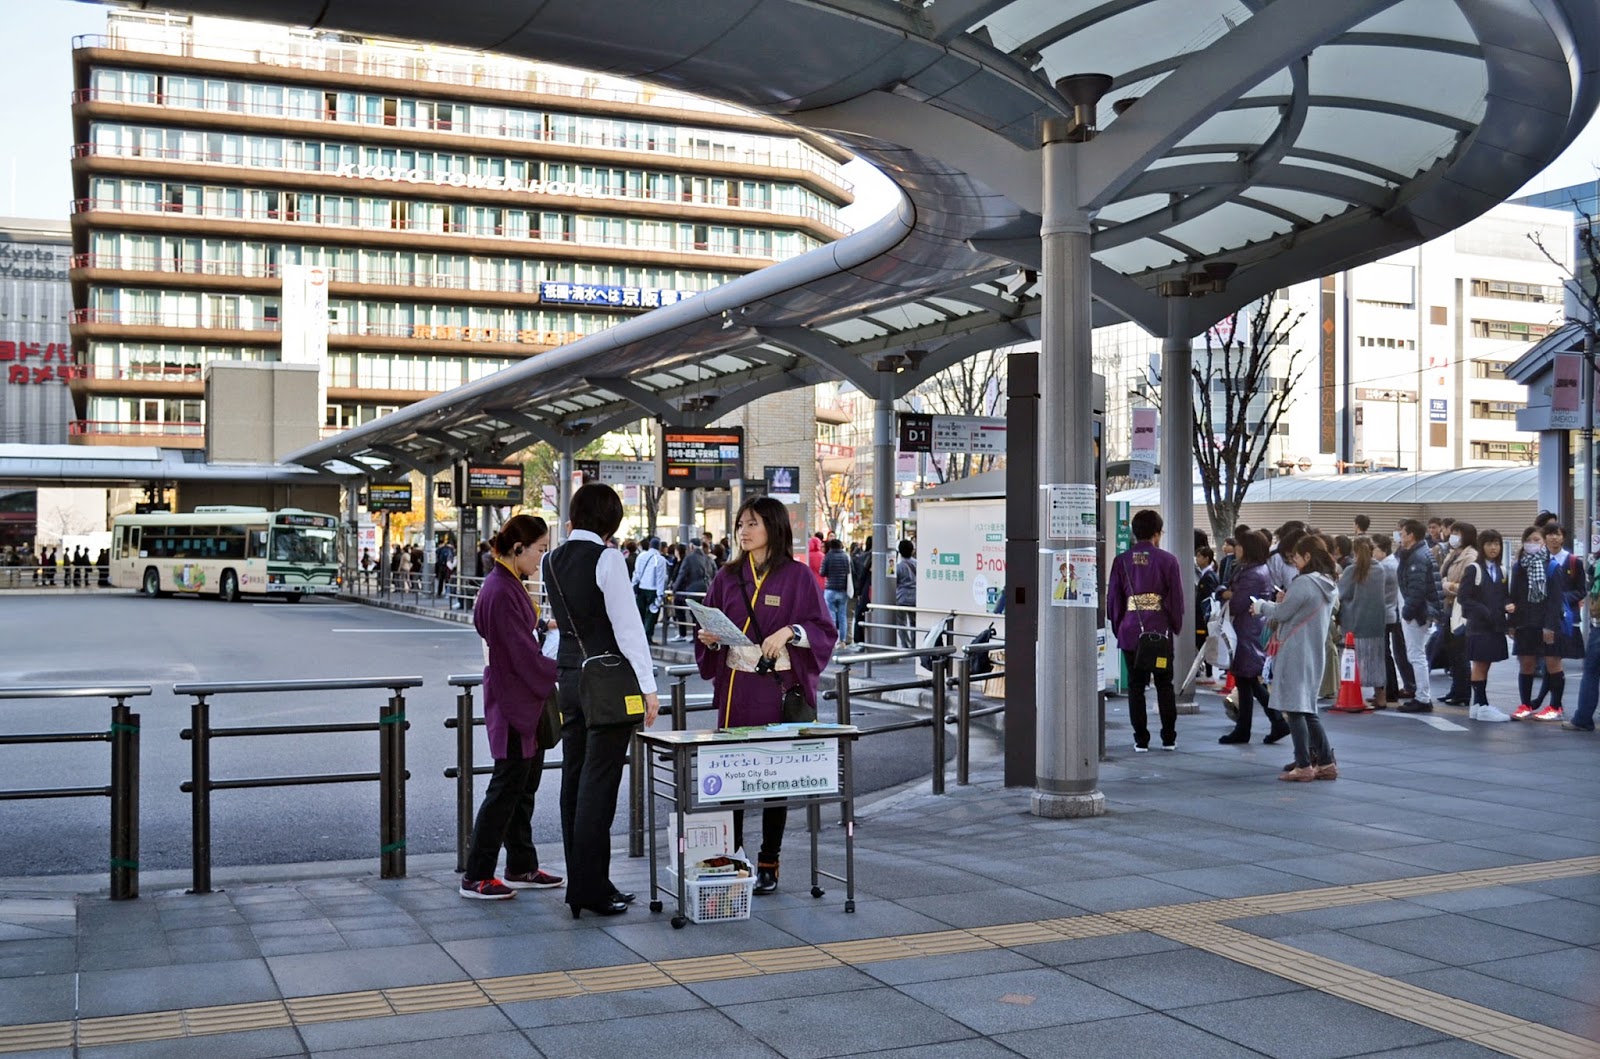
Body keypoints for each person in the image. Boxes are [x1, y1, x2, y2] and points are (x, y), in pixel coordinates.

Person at [695, 496, 836, 894]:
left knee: (775, 778)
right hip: (737, 689)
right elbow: (711, 625)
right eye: (741, 524)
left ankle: (769, 860)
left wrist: (790, 631)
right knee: (734, 777)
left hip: (777, 690)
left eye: (752, 523)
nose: (743, 531)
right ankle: (733, 856)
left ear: (773, 527)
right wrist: (709, 639)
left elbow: (823, 629)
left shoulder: (798, 576)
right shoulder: (726, 576)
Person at [545, 483, 660, 918]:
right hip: (608, 683)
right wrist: (648, 689)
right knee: (600, 785)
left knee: (574, 781)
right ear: (611, 521)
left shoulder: (552, 560)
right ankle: (591, 890)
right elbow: (629, 629)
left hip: (570, 678)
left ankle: (585, 883)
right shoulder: (608, 558)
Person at [459, 515, 564, 900]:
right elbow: (521, 655)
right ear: (518, 548)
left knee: (520, 787)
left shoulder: (505, 583)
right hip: (514, 699)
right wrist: (561, 669)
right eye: (539, 549)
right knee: (507, 788)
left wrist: (544, 632)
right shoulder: (502, 590)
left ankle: (520, 865)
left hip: (518, 697)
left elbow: (520, 642)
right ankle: (477, 874)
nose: (541, 557)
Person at [1254, 535, 1340, 781]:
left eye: (1297, 558)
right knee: (1307, 708)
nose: (1295, 563)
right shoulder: (1327, 583)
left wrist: (1261, 606)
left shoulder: (1304, 583)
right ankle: (1325, 762)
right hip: (1314, 650)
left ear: (1307, 557)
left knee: (1294, 709)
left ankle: (1303, 765)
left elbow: (1282, 613)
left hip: (1295, 650)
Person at [1107, 509, 1186, 752]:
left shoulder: (1121, 561)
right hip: (1159, 631)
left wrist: (1119, 625)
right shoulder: (1168, 560)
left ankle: (1141, 739)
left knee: (1136, 686)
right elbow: (1176, 600)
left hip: (1132, 632)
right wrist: (1174, 624)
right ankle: (1169, 737)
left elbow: (1114, 600)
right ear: (1156, 533)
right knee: (1164, 683)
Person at [1217, 530, 1289, 744]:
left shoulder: (1251, 573)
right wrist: (1227, 592)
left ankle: (1274, 722)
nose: (1235, 548)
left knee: (1248, 679)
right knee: (1246, 681)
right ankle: (1249, 727)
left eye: (1239, 545)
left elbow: (1237, 602)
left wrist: (1224, 593)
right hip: (1249, 629)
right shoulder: (1256, 569)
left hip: (1245, 631)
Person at [1509, 525, 1572, 721]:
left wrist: (1550, 626)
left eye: (1537, 540)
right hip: (1525, 622)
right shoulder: (1519, 566)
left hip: (1548, 622)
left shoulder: (1552, 567)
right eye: (1529, 540)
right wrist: (1512, 623)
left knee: (1553, 663)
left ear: (1543, 542)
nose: (1533, 544)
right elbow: (1514, 596)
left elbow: (1555, 600)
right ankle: (1525, 704)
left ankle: (1555, 706)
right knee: (1526, 663)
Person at [1456, 529, 1512, 722]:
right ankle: (1482, 704)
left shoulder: (1502, 570)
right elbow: (1463, 597)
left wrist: (1507, 605)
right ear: (1482, 546)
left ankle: (1478, 705)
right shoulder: (1474, 569)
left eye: (1496, 543)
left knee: (1485, 664)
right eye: (1489, 544)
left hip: (1494, 625)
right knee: (1479, 663)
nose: (1493, 548)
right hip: (1479, 625)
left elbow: (1503, 595)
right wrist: (1483, 610)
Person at [1338, 536, 1392, 711]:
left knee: (1353, 662)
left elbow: (1341, 593)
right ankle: (1381, 698)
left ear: (1354, 551)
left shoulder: (1351, 570)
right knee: (1376, 661)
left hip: (1354, 623)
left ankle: (1353, 696)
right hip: (1376, 624)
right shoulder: (1380, 570)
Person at [1395, 518, 1443, 712]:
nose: (1400, 536)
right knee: (1417, 654)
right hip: (1420, 612)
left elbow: (1416, 590)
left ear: (1411, 536)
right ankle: (1421, 695)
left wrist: (1406, 613)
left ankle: (1422, 697)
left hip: (1417, 613)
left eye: (1402, 533)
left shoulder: (1416, 558)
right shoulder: (1419, 553)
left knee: (1416, 655)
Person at [1437, 522, 1478, 706]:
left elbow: (1471, 585)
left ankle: (1463, 692)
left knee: (1460, 652)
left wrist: (1449, 586)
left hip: (1460, 609)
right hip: (1448, 606)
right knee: (1451, 651)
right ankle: (1455, 689)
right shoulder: (1454, 553)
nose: (1452, 535)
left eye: (1457, 533)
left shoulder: (1471, 556)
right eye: (1452, 532)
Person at [1372, 533, 1413, 703]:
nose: (1371, 552)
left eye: (1373, 548)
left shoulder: (1385, 567)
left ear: (1382, 549)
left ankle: (1389, 689)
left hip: (1388, 612)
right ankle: (1393, 688)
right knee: (1391, 652)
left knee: (1385, 653)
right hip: (1392, 612)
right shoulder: (1389, 563)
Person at [1564, 550, 1600, 732]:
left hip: (1598, 625)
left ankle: (1583, 718)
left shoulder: (1595, 559)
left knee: (1591, 671)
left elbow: (1589, 585)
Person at [669, 540, 714, 641]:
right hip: (706, 588)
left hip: (693, 589)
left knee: (694, 613)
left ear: (692, 546)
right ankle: (698, 636)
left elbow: (682, 574)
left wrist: (674, 588)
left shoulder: (689, 558)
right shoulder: (707, 557)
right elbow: (714, 571)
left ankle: (695, 637)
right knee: (700, 614)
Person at [630, 536, 668, 641]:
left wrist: (633, 586)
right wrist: (660, 595)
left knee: (640, 613)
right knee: (651, 615)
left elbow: (636, 573)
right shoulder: (660, 559)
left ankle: (639, 636)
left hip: (641, 588)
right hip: (653, 590)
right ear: (659, 547)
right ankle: (647, 636)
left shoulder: (641, 556)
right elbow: (661, 579)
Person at [820, 537, 851, 644]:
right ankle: (842, 641)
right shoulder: (845, 557)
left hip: (830, 589)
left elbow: (822, 572)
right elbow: (848, 571)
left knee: (831, 616)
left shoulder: (828, 557)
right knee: (842, 616)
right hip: (843, 590)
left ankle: (831, 640)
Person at [1195, 545, 1218, 672]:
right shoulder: (1208, 574)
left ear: (1206, 558)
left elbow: (1208, 599)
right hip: (1204, 617)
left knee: (1203, 641)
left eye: (1199, 556)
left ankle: (1209, 671)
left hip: (1204, 617)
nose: (1197, 559)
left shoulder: (1208, 577)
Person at [894, 540, 918, 647]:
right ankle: (915, 644)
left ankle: (905, 645)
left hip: (901, 598)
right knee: (914, 623)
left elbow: (894, 582)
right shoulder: (917, 564)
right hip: (915, 598)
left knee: (901, 624)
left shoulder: (898, 567)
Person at [851, 536, 872, 644]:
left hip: (866, 590)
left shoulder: (865, 557)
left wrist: (858, 591)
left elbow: (861, 575)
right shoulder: (872, 556)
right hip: (868, 590)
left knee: (860, 614)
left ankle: (859, 639)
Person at [436, 536, 456, 601]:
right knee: (448, 580)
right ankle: (448, 592)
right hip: (448, 567)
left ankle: (439, 592)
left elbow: (437, 556)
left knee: (441, 581)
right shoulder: (451, 550)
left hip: (441, 567)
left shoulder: (441, 549)